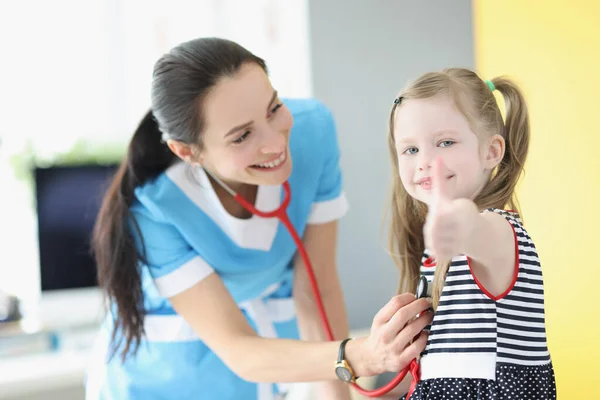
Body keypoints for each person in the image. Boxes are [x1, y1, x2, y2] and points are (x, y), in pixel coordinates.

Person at [86, 37, 433, 400]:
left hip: (263, 366)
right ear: (188, 151)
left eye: (273, 108)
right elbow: (239, 348)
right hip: (162, 378)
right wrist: (364, 355)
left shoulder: (312, 132)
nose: (275, 143)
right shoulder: (156, 208)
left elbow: (316, 290)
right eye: (242, 136)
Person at [385, 68, 557, 399]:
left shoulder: (498, 230)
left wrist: (455, 220)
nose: (425, 161)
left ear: (491, 152)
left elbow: (473, 228)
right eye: (410, 149)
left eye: (445, 142)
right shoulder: (437, 248)